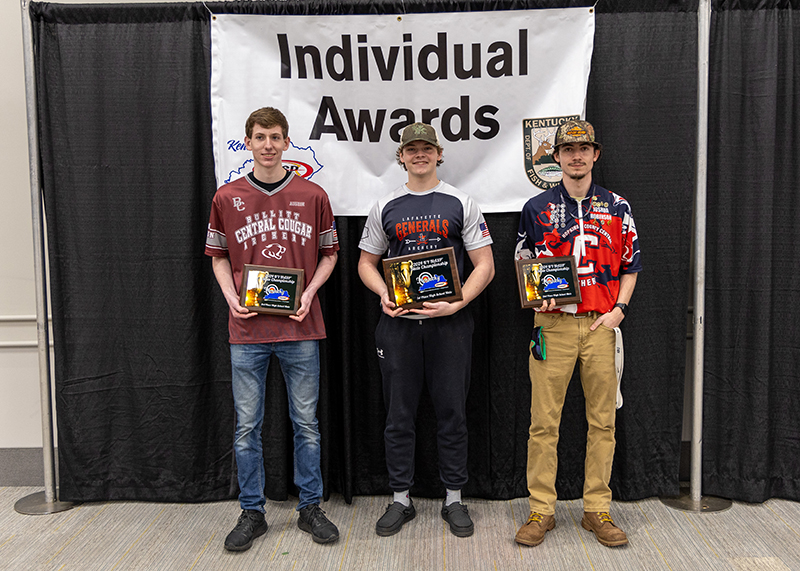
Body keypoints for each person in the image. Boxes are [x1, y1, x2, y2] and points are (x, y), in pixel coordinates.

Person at [205, 107, 340, 551]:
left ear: (286, 142)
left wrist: (308, 293)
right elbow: (219, 256)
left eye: (275, 136)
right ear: (248, 142)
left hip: (301, 327)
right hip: (246, 332)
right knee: (247, 427)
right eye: (260, 136)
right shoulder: (227, 197)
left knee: (306, 424)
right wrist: (230, 297)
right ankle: (251, 511)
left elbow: (329, 254)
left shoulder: (313, 194)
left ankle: (310, 506)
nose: (267, 144)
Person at [357, 123, 495, 538]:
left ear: (439, 154)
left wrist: (460, 300)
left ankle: (454, 498)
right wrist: (384, 292)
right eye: (411, 149)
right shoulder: (385, 204)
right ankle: (401, 498)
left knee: (452, 413)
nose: (419, 155)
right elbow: (366, 263)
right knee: (398, 416)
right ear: (401, 156)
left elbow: (485, 264)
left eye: (427, 148)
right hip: (398, 326)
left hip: (450, 326)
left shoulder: (460, 202)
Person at [513, 120, 641, 548]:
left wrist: (619, 311)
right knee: (543, 424)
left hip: (602, 325)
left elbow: (631, 265)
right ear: (557, 157)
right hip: (552, 326)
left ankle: (596, 509)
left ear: (595, 154)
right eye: (568, 150)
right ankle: (541, 511)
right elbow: (523, 265)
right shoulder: (536, 208)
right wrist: (536, 298)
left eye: (583, 149)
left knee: (602, 421)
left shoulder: (617, 205)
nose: (576, 156)